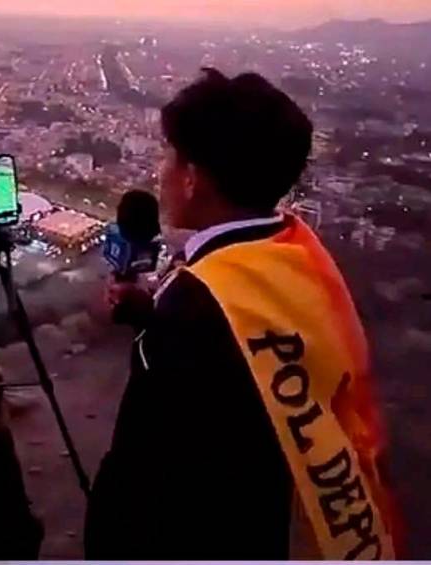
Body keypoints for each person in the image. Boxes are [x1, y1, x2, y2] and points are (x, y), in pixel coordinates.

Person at [85, 68, 401, 560]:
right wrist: (151, 315)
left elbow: (148, 464)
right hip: (255, 523)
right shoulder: (289, 258)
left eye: (170, 155)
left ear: (192, 179)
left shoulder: (194, 306)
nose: (160, 170)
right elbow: (242, 365)